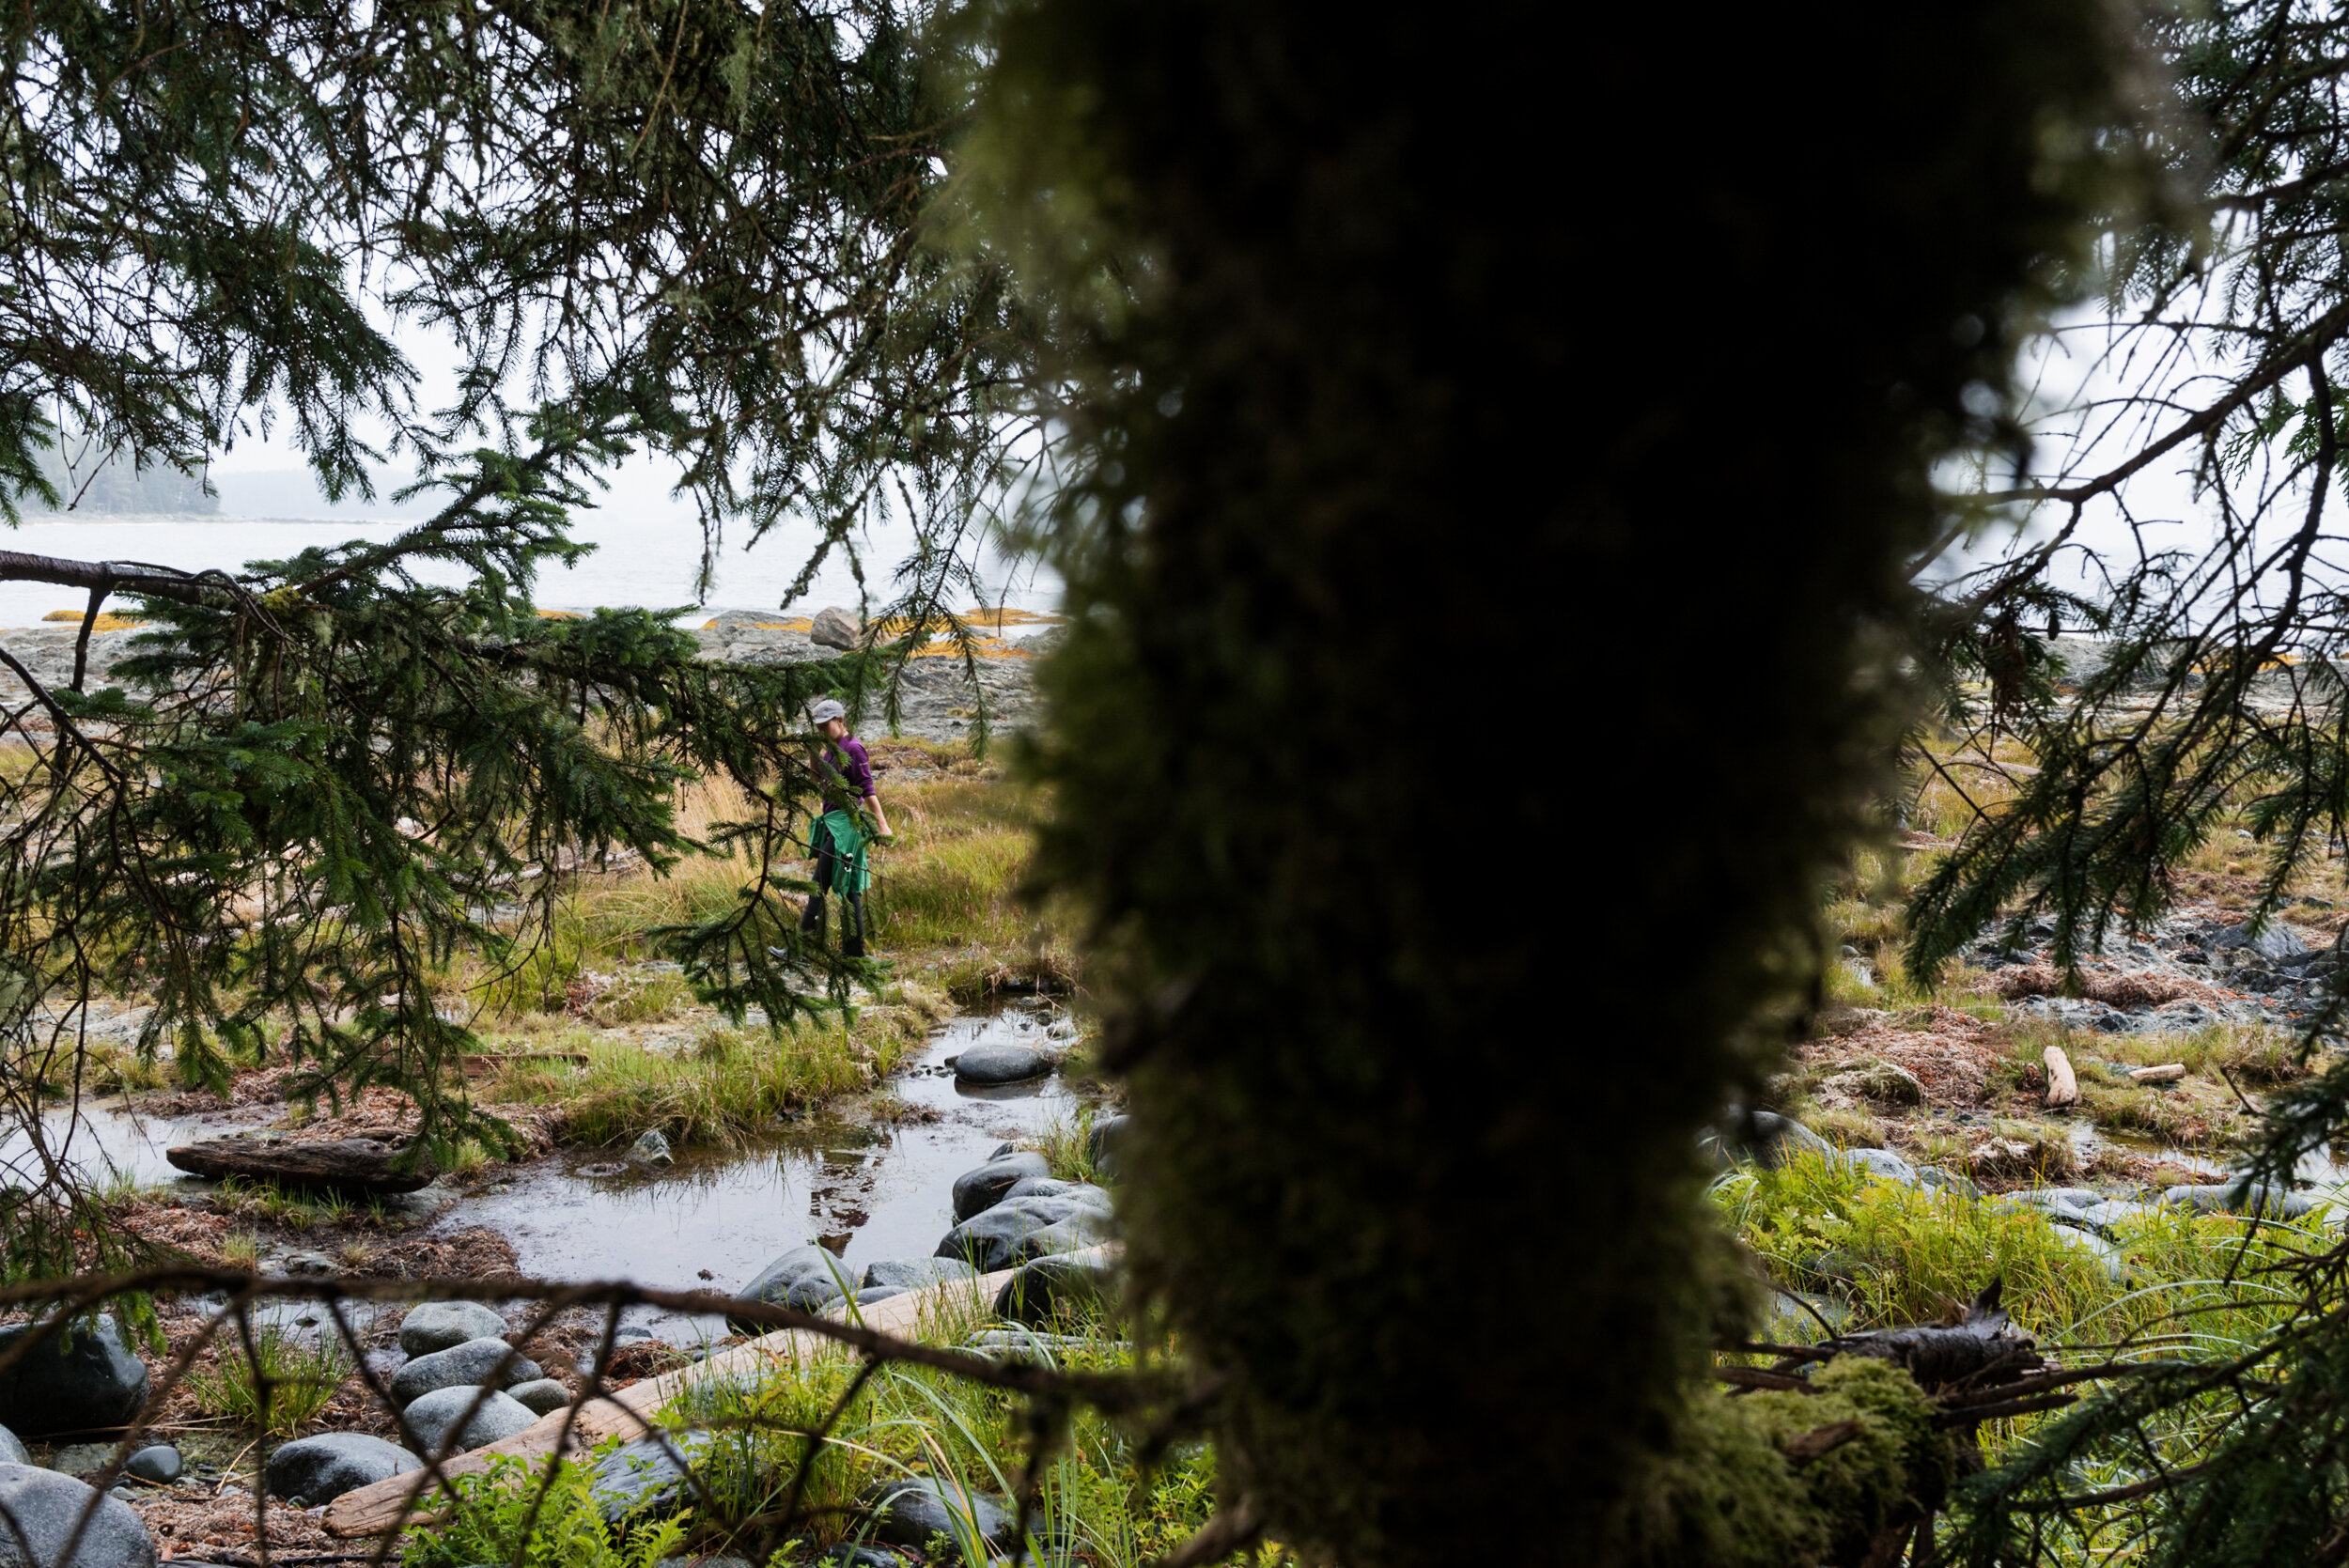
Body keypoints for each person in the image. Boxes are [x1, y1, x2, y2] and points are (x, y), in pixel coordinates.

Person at [800, 697, 893, 957]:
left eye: (824, 725)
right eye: (817, 727)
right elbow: (817, 780)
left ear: (840, 721)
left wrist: (882, 825)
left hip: (849, 828)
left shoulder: (854, 749)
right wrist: (812, 754)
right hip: (832, 825)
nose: (820, 731)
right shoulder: (830, 750)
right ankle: (854, 955)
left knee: (823, 886)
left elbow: (868, 789)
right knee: (842, 890)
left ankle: (801, 951)